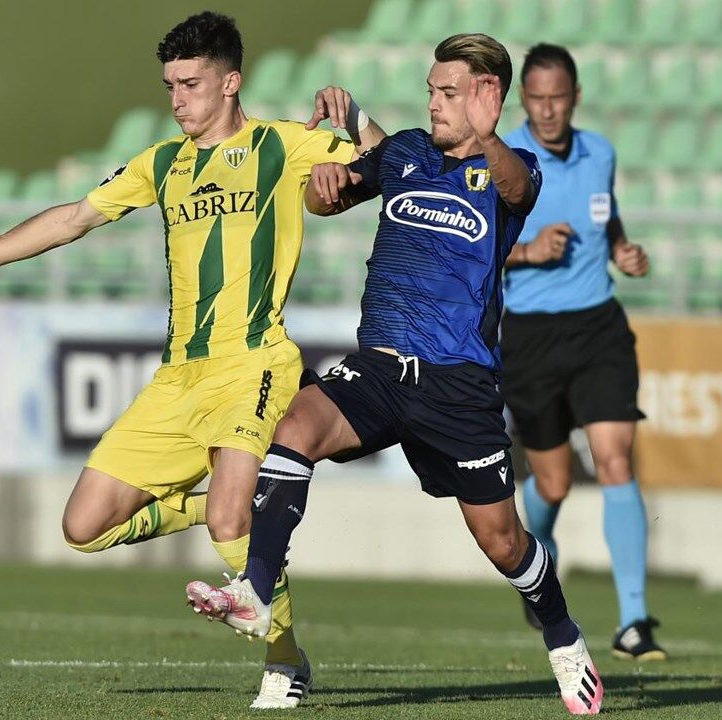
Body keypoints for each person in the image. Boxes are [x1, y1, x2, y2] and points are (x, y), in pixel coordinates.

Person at [0, 12, 385, 709]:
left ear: (231, 82)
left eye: (191, 84)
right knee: (84, 527)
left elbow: (396, 162)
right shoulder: (162, 163)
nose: (177, 99)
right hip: (177, 378)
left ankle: (284, 660)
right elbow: (73, 218)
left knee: (231, 525)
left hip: (254, 362)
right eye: (170, 86)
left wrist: (357, 118)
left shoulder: (281, 145)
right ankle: (218, 506)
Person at [184, 33, 606, 715]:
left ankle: (562, 635)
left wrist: (486, 136)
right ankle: (257, 591)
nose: (433, 103)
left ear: (487, 96)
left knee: (502, 541)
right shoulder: (407, 151)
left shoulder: (512, 167)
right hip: (380, 366)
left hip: (458, 384)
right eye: (431, 91)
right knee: (296, 427)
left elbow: (518, 188)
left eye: (448, 93)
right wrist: (328, 183)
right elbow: (332, 195)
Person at [498, 43, 663, 662]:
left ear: (575, 97)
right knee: (554, 481)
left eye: (558, 98)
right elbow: (475, 247)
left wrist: (623, 250)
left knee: (615, 458)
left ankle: (634, 621)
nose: (547, 110)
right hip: (532, 337)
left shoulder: (602, 153)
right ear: (523, 99)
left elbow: (607, 218)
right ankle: (536, 558)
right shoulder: (503, 161)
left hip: (599, 328)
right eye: (537, 99)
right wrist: (528, 251)